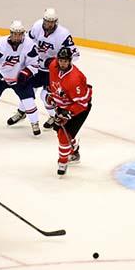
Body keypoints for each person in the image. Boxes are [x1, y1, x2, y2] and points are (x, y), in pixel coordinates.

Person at [8, 8, 80, 130]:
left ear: (56, 21)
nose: (49, 24)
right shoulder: (37, 26)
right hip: (36, 67)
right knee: (27, 88)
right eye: (47, 21)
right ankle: (22, 111)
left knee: (45, 95)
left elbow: (75, 55)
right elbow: (28, 41)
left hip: (52, 72)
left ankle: (55, 116)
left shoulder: (63, 34)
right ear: (44, 20)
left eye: (52, 21)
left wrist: (54, 62)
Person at [47, 47, 92, 176]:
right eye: (60, 60)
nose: (62, 63)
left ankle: (63, 161)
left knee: (63, 134)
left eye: (65, 61)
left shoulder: (75, 78)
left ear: (70, 61)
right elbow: (54, 84)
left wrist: (68, 113)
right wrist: (52, 95)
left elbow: (82, 103)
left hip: (80, 108)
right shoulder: (53, 66)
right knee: (59, 131)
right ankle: (74, 150)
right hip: (63, 105)